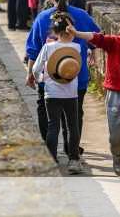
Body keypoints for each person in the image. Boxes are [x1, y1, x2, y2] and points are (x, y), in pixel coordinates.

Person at [67, 13, 120, 182]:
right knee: (116, 136)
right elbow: (96, 38)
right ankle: (117, 156)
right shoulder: (113, 42)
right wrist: (76, 33)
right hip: (115, 96)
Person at [26, 0, 100, 153]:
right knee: (74, 116)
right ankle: (71, 149)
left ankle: (48, 150)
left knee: (47, 116)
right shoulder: (81, 15)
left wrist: (30, 74)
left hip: (49, 79)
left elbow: (33, 51)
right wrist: (93, 52)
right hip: (77, 77)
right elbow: (97, 38)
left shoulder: (42, 18)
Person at [31, 10, 83, 174]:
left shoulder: (48, 47)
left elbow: (35, 68)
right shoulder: (77, 48)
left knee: (53, 126)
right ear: (71, 31)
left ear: (55, 32)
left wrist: (40, 79)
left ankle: (52, 159)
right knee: (72, 126)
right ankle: (73, 160)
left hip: (51, 94)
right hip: (71, 94)